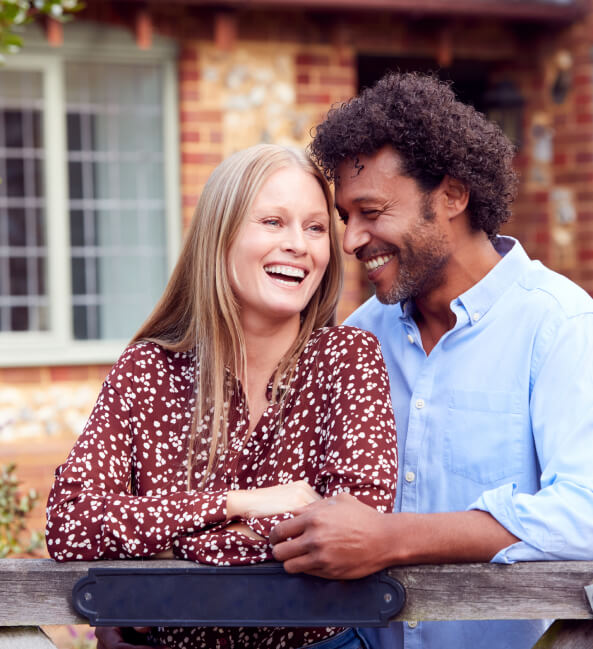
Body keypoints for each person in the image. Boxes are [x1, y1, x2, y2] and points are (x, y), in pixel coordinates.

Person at [269, 72, 593, 649]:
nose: (350, 241)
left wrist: (391, 539)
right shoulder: (358, 335)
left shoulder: (560, 326)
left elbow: (584, 514)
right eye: (345, 217)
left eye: (370, 211)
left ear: (451, 194)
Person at [45, 144, 398, 649]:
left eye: (315, 227)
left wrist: (163, 553)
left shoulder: (347, 358)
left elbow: (356, 519)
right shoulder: (149, 370)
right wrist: (242, 503)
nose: (299, 244)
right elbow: (72, 524)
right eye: (273, 222)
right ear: (220, 235)